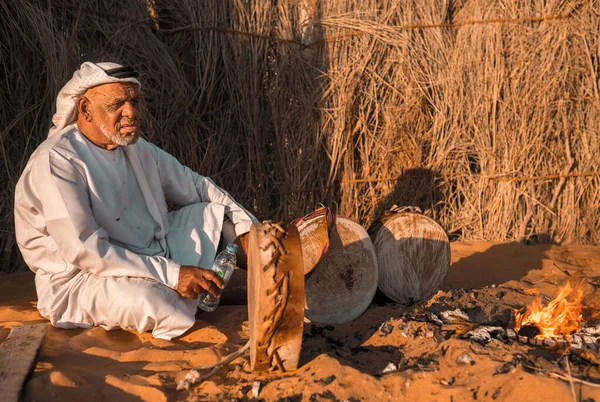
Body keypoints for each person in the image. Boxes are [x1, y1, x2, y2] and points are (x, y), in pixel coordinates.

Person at [14, 62, 258, 340]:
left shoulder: (138, 149)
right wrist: (174, 274)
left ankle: (270, 269)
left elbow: (197, 187)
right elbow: (87, 251)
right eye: (117, 103)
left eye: (134, 101)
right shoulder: (57, 161)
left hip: (152, 254)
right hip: (82, 279)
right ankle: (208, 297)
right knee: (159, 304)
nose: (131, 112)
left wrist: (251, 230)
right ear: (85, 109)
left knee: (218, 215)